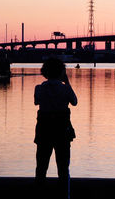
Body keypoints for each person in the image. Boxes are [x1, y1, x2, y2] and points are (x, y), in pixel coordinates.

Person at [34, 58, 77, 198]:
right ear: (61, 72)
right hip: (62, 132)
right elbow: (74, 102)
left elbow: (36, 101)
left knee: (41, 168)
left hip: (44, 131)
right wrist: (67, 81)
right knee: (63, 169)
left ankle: (39, 194)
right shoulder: (65, 89)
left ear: (44, 72)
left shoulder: (39, 88)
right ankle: (65, 196)